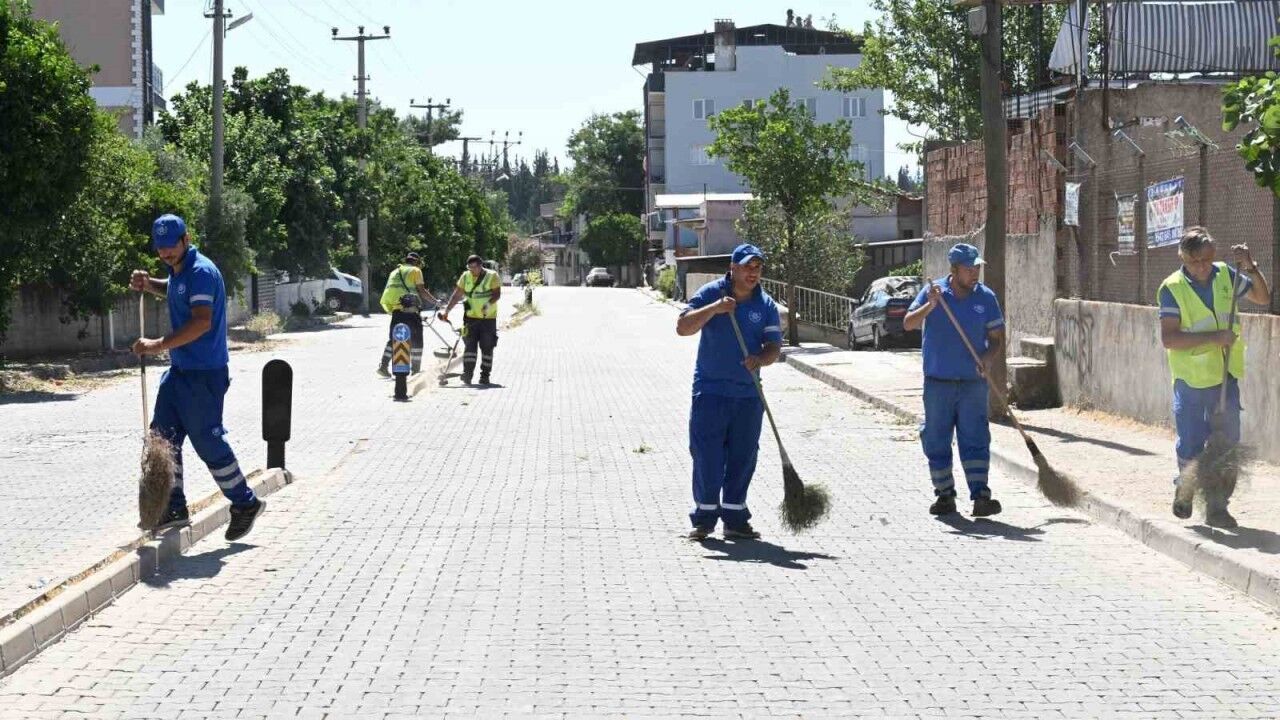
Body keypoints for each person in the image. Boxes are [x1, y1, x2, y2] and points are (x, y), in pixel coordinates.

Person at [130, 214, 265, 541]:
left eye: (171, 247)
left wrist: (157, 345)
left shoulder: (202, 272)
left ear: (186, 240)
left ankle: (245, 502)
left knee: (207, 441)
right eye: (160, 249)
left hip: (204, 374)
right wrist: (149, 284)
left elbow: (201, 322)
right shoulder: (178, 270)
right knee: (162, 438)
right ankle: (173, 507)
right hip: (179, 373)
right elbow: (176, 289)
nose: (166, 254)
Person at [1158, 227, 1270, 528]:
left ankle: (1218, 507)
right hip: (1191, 381)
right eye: (1194, 261)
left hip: (1225, 377)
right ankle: (1186, 488)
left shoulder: (1226, 275)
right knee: (1192, 444)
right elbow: (1169, 339)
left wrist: (1250, 267)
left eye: (1206, 260)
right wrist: (1214, 337)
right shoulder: (1172, 288)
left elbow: (1262, 297)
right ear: (1183, 258)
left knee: (1227, 444)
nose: (1202, 267)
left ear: (1213, 255)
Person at [676, 244, 783, 541]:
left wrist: (759, 359)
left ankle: (735, 520)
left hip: (748, 395)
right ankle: (704, 518)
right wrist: (715, 309)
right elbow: (683, 327)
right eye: (747, 266)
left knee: (743, 457)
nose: (753, 272)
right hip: (710, 391)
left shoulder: (766, 305)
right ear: (733, 268)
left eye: (757, 267)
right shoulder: (711, 293)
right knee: (707, 455)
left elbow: (773, 348)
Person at [903, 243, 1005, 518]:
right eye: (969, 269)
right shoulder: (933, 292)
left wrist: (988, 358)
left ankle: (981, 496)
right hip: (938, 383)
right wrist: (930, 305)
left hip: (973, 384)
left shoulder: (986, 298)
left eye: (977, 268)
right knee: (936, 439)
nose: (975, 273)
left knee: (976, 438)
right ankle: (945, 495)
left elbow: (996, 339)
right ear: (955, 269)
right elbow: (908, 323)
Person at [439, 255, 501, 385]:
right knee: (469, 348)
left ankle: (485, 376)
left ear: (480, 266)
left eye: (474, 267)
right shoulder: (465, 276)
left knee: (487, 347)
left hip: (487, 319)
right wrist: (447, 311)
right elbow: (457, 295)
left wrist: (488, 304)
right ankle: (467, 375)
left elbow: (497, 294)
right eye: (470, 267)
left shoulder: (492, 275)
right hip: (470, 318)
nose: (472, 270)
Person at [377, 252, 438, 377]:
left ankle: (383, 366)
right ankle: (415, 369)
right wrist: (435, 302)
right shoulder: (415, 270)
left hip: (396, 310)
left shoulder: (394, 272)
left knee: (394, 338)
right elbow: (422, 291)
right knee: (416, 339)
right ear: (417, 262)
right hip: (411, 310)